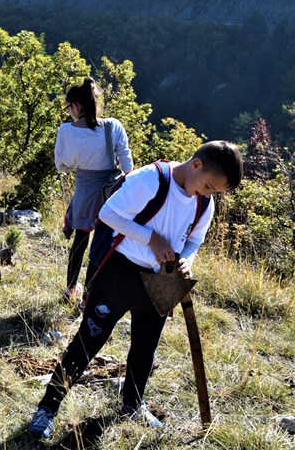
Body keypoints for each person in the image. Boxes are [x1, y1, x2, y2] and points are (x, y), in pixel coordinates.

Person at [27, 141, 243, 440]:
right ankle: (47, 408)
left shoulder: (204, 203)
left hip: (163, 279)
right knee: (89, 340)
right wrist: (151, 239)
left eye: (214, 191)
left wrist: (186, 261)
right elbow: (109, 214)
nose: (207, 194)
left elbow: (194, 240)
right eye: (208, 186)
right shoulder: (150, 179)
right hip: (120, 270)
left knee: (146, 346)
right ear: (196, 164)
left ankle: (132, 404)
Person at [55, 77, 134, 303]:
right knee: (102, 244)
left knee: (80, 240)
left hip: (84, 190)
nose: (68, 111)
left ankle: (71, 289)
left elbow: (62, 165)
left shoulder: (66, 131)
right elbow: (126, 162)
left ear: (76, 106)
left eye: (68, 107)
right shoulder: (113, 126)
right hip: (111, 192)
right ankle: (90, 295)